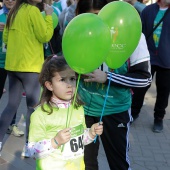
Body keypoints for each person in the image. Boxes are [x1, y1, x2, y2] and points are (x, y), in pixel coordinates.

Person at [76, 0, 152, 169]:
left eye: (99, 16)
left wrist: (108, 77)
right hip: (83, 110)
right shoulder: (80, 29)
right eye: (90, 17)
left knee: (118, 164)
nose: (95, 23)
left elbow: (145, 79)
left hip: (115, 111)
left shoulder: (133, 35)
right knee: (84, 163)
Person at [27, 55, 103, 170]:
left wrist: (91, 133)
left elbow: (80, 139)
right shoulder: (40, 115)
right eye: (62, 79)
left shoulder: (78, 108)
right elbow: (32, 151)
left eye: (72, 79)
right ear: (49, 85)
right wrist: (55, 142)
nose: (69, 85)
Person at [0, 0, 54, 157]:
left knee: (11, 106)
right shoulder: (33, 11)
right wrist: (49, 17)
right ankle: (29, 147)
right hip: (30, 68)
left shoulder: (13, 12)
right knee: (32, 108)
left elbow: (6, 39)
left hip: (13, 67)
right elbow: (45, 36)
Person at [131, 0, 170, 133]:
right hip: (148, 56)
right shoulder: (148, 10)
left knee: (164, 91)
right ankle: (134, 113)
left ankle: (158, 118)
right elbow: (139, 33)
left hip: (167, 61)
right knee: (140, 87)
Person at [0, 0, 24, 137]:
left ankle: (11, 123)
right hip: (0, 62)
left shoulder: (20, 16)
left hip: (15, 63)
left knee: (14, 98)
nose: (10, 0)